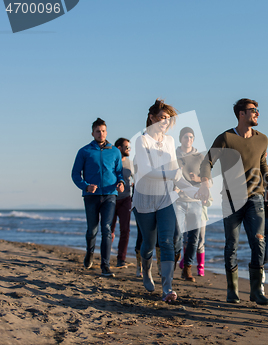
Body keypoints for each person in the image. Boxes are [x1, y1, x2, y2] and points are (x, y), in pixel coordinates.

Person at [197, 98, 268, 306]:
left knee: (258, 242)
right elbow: (207, 162)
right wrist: (205, 183)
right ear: (241, 114)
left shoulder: (263, 139)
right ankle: (232, 291)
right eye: (253, 110)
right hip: (231, 200)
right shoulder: (225, 138)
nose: (258, 113)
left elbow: (262, 164)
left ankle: (256, 291)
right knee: (231, 244)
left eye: (258, 110)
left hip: (255, 197)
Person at [132, 99, 199, 302]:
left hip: (165, 198)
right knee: (149, 244)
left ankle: (167, 289)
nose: (165, 122)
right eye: (162, 118)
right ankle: (146, 269)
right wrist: (172, 173)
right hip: (144, 199)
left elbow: (176, 176)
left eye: (168, 119)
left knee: (168, 242)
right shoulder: (142, 141)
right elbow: (144, 171)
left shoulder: (170, 141)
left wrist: (194, 190)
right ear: (152, 118)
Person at [71, 118, 124, 278]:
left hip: (110, 195)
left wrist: (120, 182)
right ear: (92, 133)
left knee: (107, 229)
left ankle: (105, 266)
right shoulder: (84, 151)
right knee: (92, 229)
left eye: (103, 131)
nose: (101, 134)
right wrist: (86, 186)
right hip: (91, 196)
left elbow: (119, 172)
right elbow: (75, 174)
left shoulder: (115, 151)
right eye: (97, 131)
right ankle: (89, 253)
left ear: (106, 132)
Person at [174, 127, 205, 282]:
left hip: (195, 202)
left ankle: (187, 269)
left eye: (191, 137)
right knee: (177, 235)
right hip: (177, 201)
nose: (189, 139)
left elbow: (209, 181)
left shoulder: (200, 157)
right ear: (181, 138)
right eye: (186, 136)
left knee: (194, 237)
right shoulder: (173, 155)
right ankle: (172, 262)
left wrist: (198, 179)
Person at [110, 138, 133, 267]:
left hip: (126, 200)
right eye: (127, 147)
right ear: (119, 148)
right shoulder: (112, 162)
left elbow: (136, 179)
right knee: (109, 231)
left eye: (129, 147)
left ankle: (121, 259)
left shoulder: (130, 163)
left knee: (125, 230)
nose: (129, 150)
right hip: (112, 199)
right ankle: (106, 256)